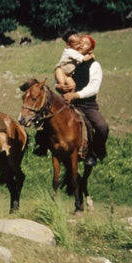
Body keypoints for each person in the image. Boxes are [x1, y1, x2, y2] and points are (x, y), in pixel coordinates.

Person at [56, 33, 108, 167]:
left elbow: (94, 87)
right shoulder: (71, 60)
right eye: (79, 42)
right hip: (68, 102)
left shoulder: (94, 65)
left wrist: (75, 95)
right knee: (47, 118)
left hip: (87, 105)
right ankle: (44, 146)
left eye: (85, 44)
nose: (80, 45)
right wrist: (59, 86)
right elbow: (60, 77)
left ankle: (94, 152)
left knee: (102, 127)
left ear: (90, 50)